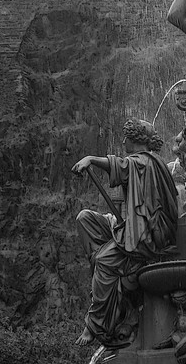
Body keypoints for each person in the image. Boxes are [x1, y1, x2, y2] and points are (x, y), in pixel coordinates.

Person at [72, 118, 179, 347]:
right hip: (129, 227)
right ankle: (109, 271)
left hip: (144, 236)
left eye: (125, 137)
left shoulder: (143, 162)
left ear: (134, 139)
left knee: (103, 261)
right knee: (85, 219)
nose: (122, 141)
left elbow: (120, 165)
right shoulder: (147, 162)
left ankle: (96, 324)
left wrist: (90, 159)